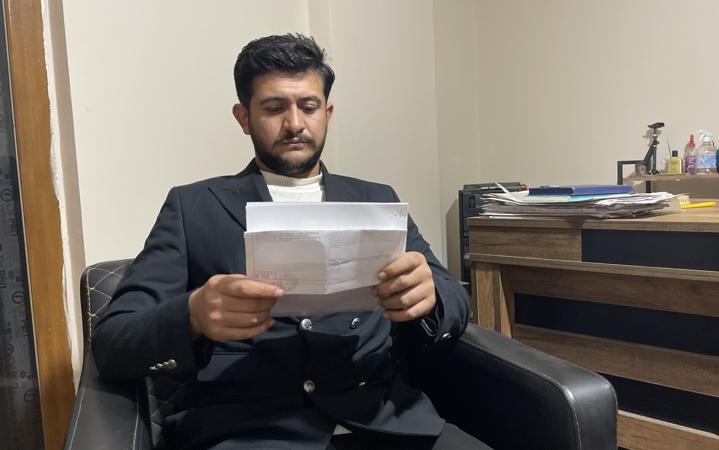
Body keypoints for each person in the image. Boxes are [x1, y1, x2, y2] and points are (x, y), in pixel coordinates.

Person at [92, 34, 487, 450]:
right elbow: (113, 341)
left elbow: (454, 300)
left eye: (309, 107)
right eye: (274, 108)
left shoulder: (377, 199)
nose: (295, 124)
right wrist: (192, 313)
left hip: (384, 421)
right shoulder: (193, 207)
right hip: (251, 433)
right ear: (244, 117)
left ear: (327, 113)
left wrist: (430, 296)